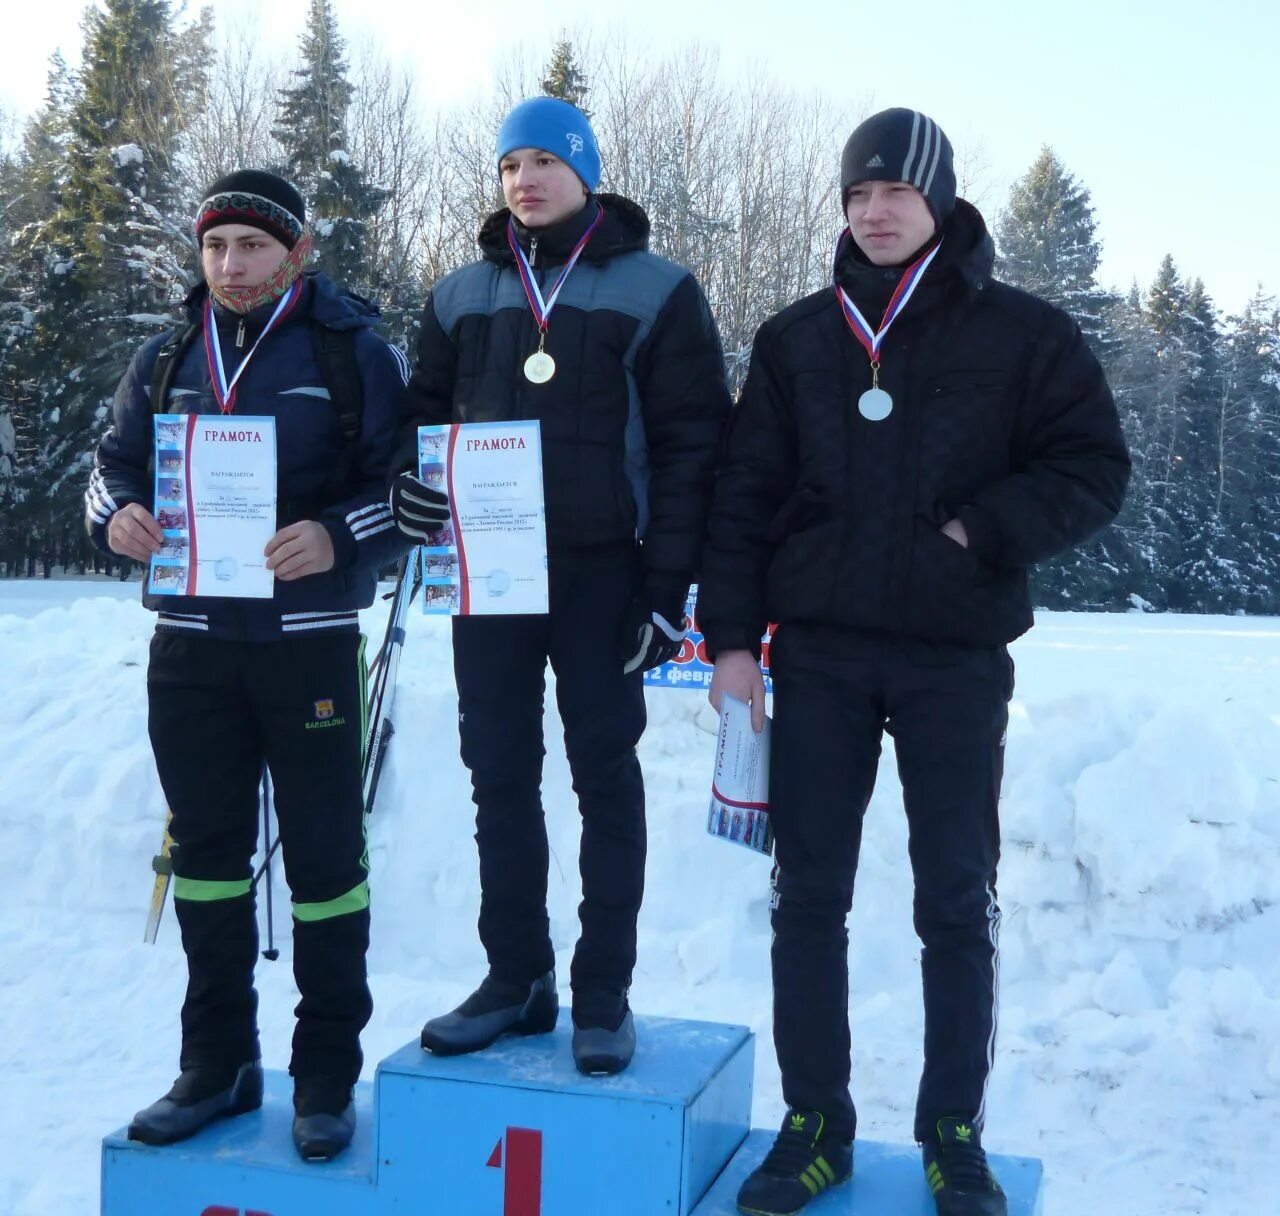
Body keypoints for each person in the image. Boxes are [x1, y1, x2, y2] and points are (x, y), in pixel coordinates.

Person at [698, 108, 1130, 1216]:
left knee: (952, 898)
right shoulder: (795, 339)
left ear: (937, 201)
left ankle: (950, 1131)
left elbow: (1091, 465)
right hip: (824, 656)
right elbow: (742, 496)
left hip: (953, 659)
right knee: (808, 896)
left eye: (893, 191)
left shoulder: (1019, 334)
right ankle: (814, 1123)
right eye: (855, 194)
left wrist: (978, 531)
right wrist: (734, 642)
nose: (873, 210)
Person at [389, 97, 731, 1075]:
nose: (524, 180)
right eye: (508, 166)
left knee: (602, 775)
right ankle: (516, 979)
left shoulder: (656, 288)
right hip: (488, 574)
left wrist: (669, 591)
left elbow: (690, 446)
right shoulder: (459, 295)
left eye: (543, 160)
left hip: (600, 572)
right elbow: (417, 429)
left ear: (584, 170)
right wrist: (407, 492)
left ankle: (602, 991)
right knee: (496, 773)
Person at [85, 170, 412, 1161]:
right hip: (188, 645)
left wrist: (334, 533)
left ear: (295, 253)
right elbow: (110, 463)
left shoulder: (352, 352)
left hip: (305, 642)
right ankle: (218, 1063)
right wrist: (117, 516)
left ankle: (323, 1076)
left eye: (253, 248)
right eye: (216, 247)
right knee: (210, 861)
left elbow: (406, 488)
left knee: (324, 866)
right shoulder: (166, 354)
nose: (232, 266)